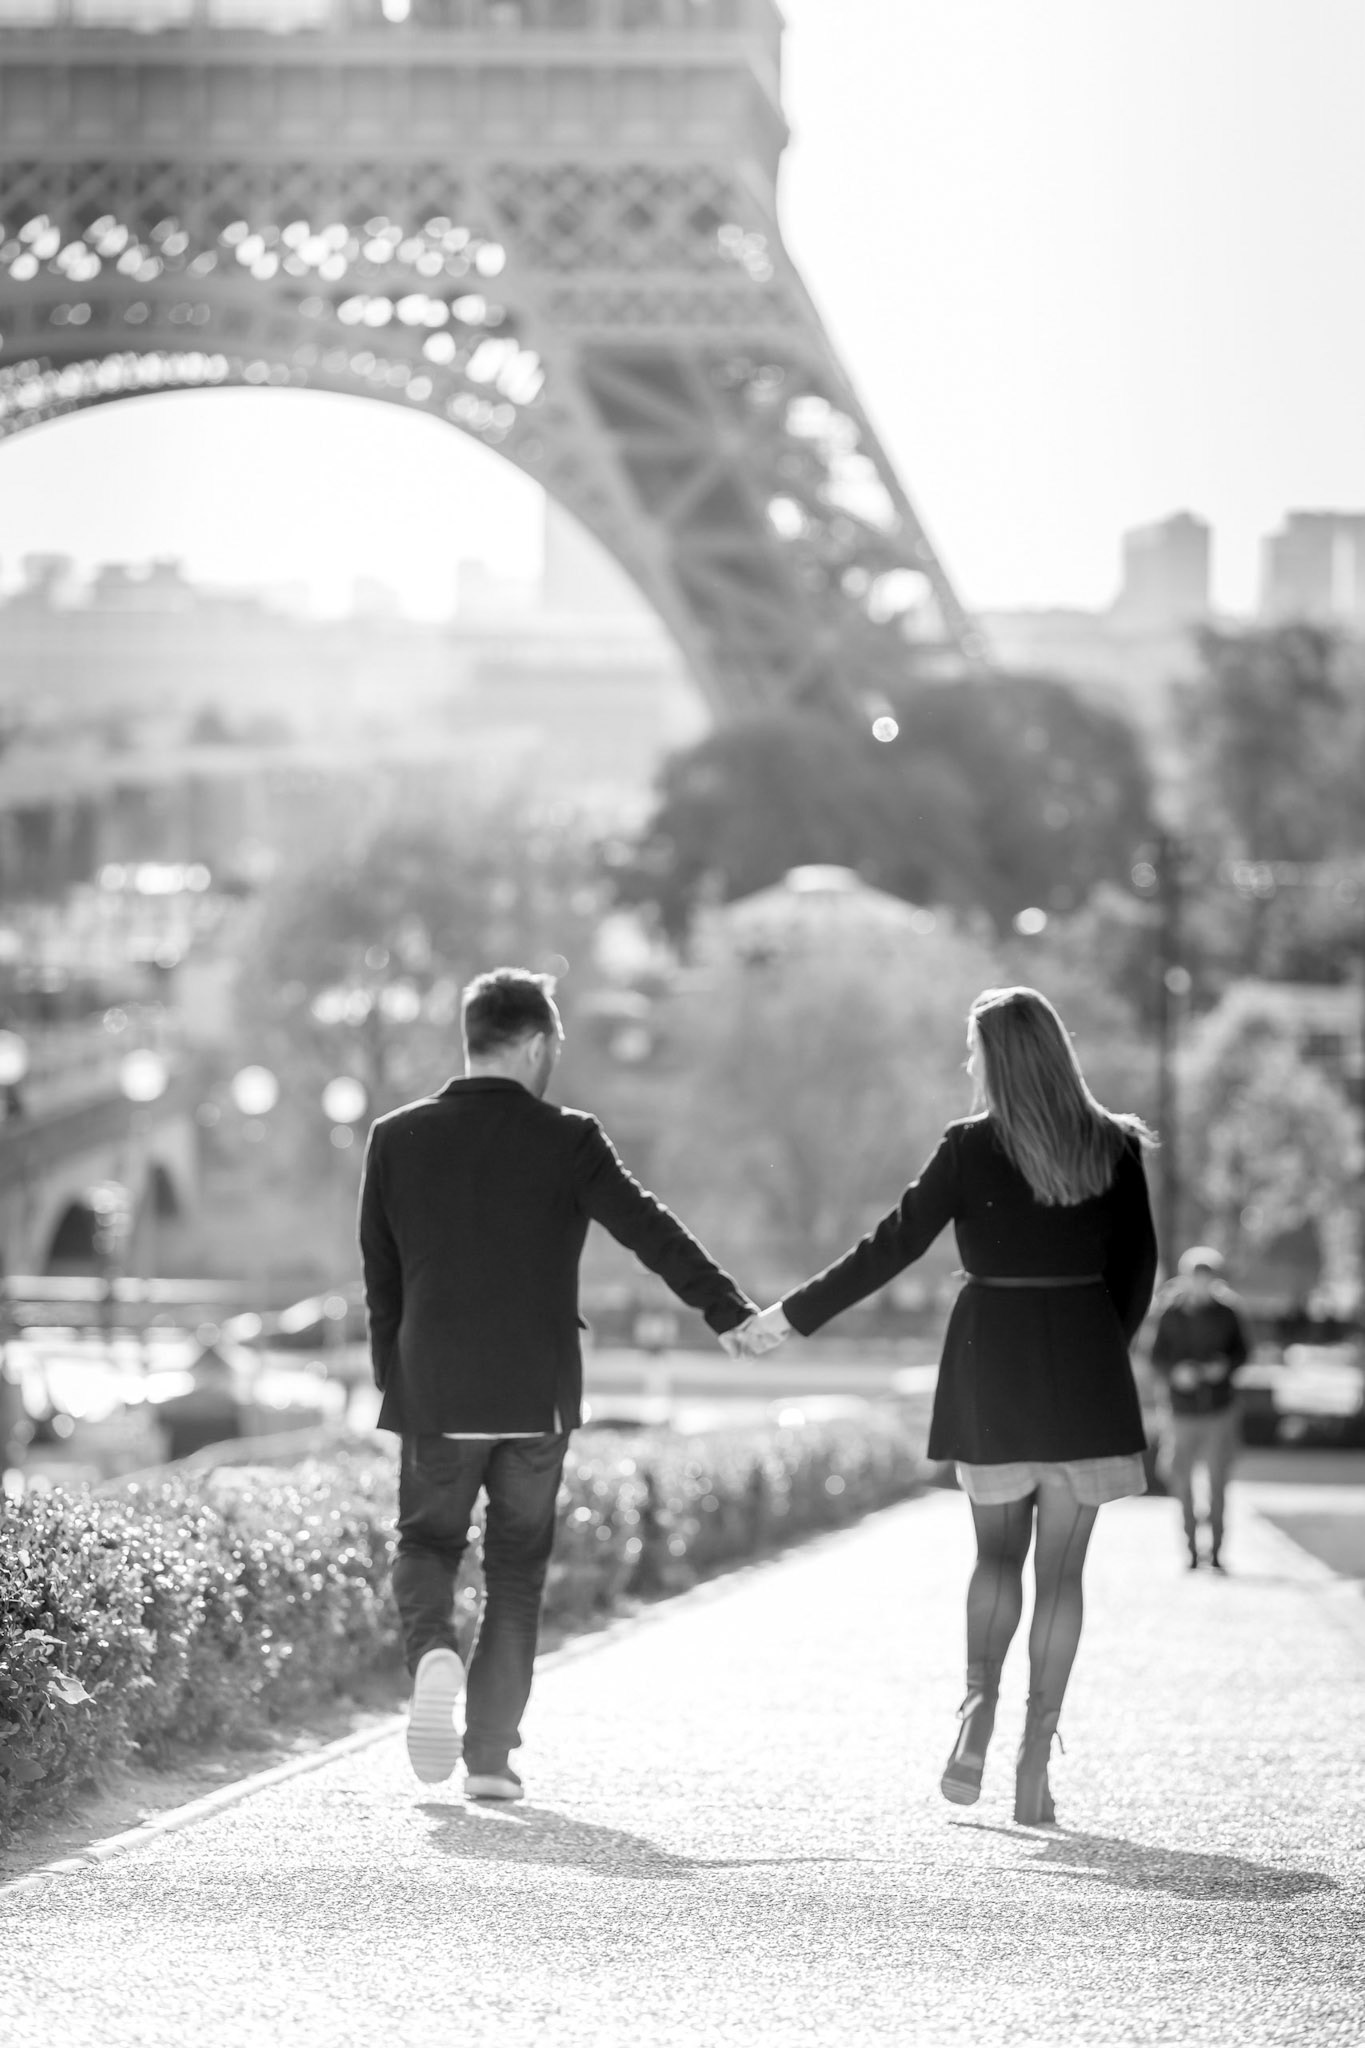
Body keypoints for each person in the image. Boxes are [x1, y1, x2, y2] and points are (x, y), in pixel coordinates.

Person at [736, 986, 1157, 1826]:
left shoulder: (967, 1148)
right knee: (1062, 1576)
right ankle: (1035, 1759)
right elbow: (1137, 1272)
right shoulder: (1112, 1146)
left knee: (995, 1561)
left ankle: (975, 1715)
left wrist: (788, 1316)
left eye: (971, 1050)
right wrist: (1089, 1342)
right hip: (1081, 1370)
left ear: (995, 1058)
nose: (965, 1064)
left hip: (990, 1365)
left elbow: (888, 1245)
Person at [359, 966, 755, 1799]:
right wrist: (729, 1313)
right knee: (514, 1569)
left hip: (435, 1390)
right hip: (534, 1396)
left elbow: (382, 1287)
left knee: (429, 1544)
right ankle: (491, 1760)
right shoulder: (568, 1137)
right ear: (537, 1042)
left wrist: (397, 1388)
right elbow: (650, 1229)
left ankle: (433, 1652)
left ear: (469, 1039)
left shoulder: (395, 1137)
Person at [1148, 1246, 1249, 1572]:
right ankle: (1191, 1548)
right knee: (1180, 1480)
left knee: (1218, 1482)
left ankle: (1217, 1549)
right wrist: (1177, 1374)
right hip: (1181, 1410)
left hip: (1219, 1408)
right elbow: (1155, 1358)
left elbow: (1242, 1353)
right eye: (1197, 1276)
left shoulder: (1227, 1312)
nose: (1202, 1283)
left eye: (1208, 1277)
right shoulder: (1170, 1312)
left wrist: (1223, 1368)